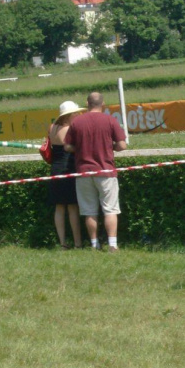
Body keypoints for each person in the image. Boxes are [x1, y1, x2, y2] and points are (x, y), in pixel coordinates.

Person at [64, 92, 127, 253]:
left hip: (84, 172)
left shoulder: (77, 122)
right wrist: (109, 146)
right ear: (103, 103)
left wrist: (81, 148)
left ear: (87, 103)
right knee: (110, 209)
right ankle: (112, 244)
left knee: (89, 211)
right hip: (106, 171)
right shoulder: (110, 120)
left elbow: (67, 146)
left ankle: (94, 244)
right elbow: (122, 145)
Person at [47, 101, 84, 250]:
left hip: (55, 169)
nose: (78, 115)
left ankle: (62, 242)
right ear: (69, 115)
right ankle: (77, 243)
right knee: (73, 208)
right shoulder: (69, 129)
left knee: (59, 207)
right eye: (75, 113)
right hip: (68, 168)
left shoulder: (52, 127)